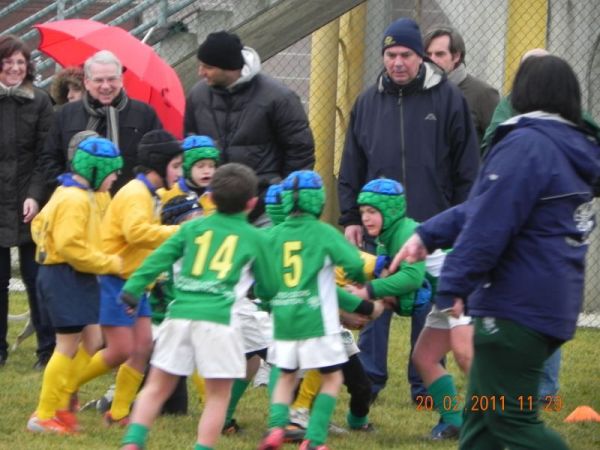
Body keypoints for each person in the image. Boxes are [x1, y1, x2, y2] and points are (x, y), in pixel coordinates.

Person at [392, 55, 600, 450]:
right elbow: (485, 205)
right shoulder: (569, 148)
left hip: (514, 306)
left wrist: (452, 285)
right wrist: (427, 235)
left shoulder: (527, 144)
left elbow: (488, 224)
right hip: (549, 304)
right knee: (482, 421)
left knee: (511, 422)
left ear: (523, 92)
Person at [337, 18, 480, 402]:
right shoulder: (367, 102)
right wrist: (351, 216)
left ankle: (425, 387)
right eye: (390, 55)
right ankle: (368, 381)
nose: (397, 62)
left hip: (434, 224)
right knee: (373, 299)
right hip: (379, 227)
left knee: (427, 303)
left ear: (420, 57)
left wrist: (463, 219)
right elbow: (351, 163)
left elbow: (468, 167)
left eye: (405, 55)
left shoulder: (449, 99)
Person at [120, 163, 279, 450]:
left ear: (211, 198)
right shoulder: (256, 237)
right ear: (253, 203)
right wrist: (268, 299)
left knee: (156, 386)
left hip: (179, 316)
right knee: (218, 396)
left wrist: (132, 290)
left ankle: (132, 443)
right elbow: (269, 286)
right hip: (219, 321)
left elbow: (157, 259)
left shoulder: (191, 228)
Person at [258, 170, 384, 450]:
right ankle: (314, 440)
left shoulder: (271, 236)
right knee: (332, 378)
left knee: (285, 376)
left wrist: (270, 302)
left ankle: (277, 428)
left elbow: (262, 284)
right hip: (318, 321)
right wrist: (362, 288)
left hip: (284, 322)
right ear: (318, 200)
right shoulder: (323, 232)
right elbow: (352, 262)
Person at [72, 130, 183, 426]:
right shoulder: (136, 193)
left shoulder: (151, 193)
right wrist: (180, 233)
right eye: (176, 165)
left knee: (143, 346)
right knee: (120, 350)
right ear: (158, 165)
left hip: (135, 281)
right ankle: (64, 387)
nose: (179, 172)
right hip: (114, 278)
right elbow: (136, 232)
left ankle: (119, 412)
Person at [27, 137, 123, 434]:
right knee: (66, 346)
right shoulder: (73, 199)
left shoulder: (74, 191)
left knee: (93, 340)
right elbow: (70, 247)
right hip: (64, 276)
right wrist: (109, 263)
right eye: (112, 172)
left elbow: (38, 225)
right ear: (95, 170)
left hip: (76, 275)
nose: (116, 178)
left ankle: (63, 397)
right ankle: (43, 415)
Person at [184, 31, 315, 224]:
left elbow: (300, 151)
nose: (200, 72)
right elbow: (189, 143)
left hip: (265, 208)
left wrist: (281, 195)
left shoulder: (279, 98)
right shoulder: (198, 95)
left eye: (208, 67)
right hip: (213, 206)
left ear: (229, 68)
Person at [0, 34, 55, 369]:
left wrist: (35, 196)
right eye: (8, 63)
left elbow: (45, 156)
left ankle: (46, 349)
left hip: (29, 203)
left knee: (37, 280)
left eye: (20, 63)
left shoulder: (41, 101)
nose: (14, 69)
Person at [41, 50, 163, 194]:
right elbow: (49, 158)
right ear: (87, 82)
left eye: (111, 79)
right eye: (99, 80)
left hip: (128, 204)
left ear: (121, 80)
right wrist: (66, 189)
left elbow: (156, 158)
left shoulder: (144, 114)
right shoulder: (65, 114)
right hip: (79, 203)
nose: (106, 86)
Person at [423, 25, 499, 143]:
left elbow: (499, 142)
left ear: (456, 56)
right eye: (428, 54)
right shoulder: (420, 90)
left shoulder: (483, 94)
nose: (432, 60)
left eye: (440, 54)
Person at [160, 134, 219, 214]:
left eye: (211, 166)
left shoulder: (219, 194)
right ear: (186, 168)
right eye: (200, 166)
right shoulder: (168, 193)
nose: (207, 171)